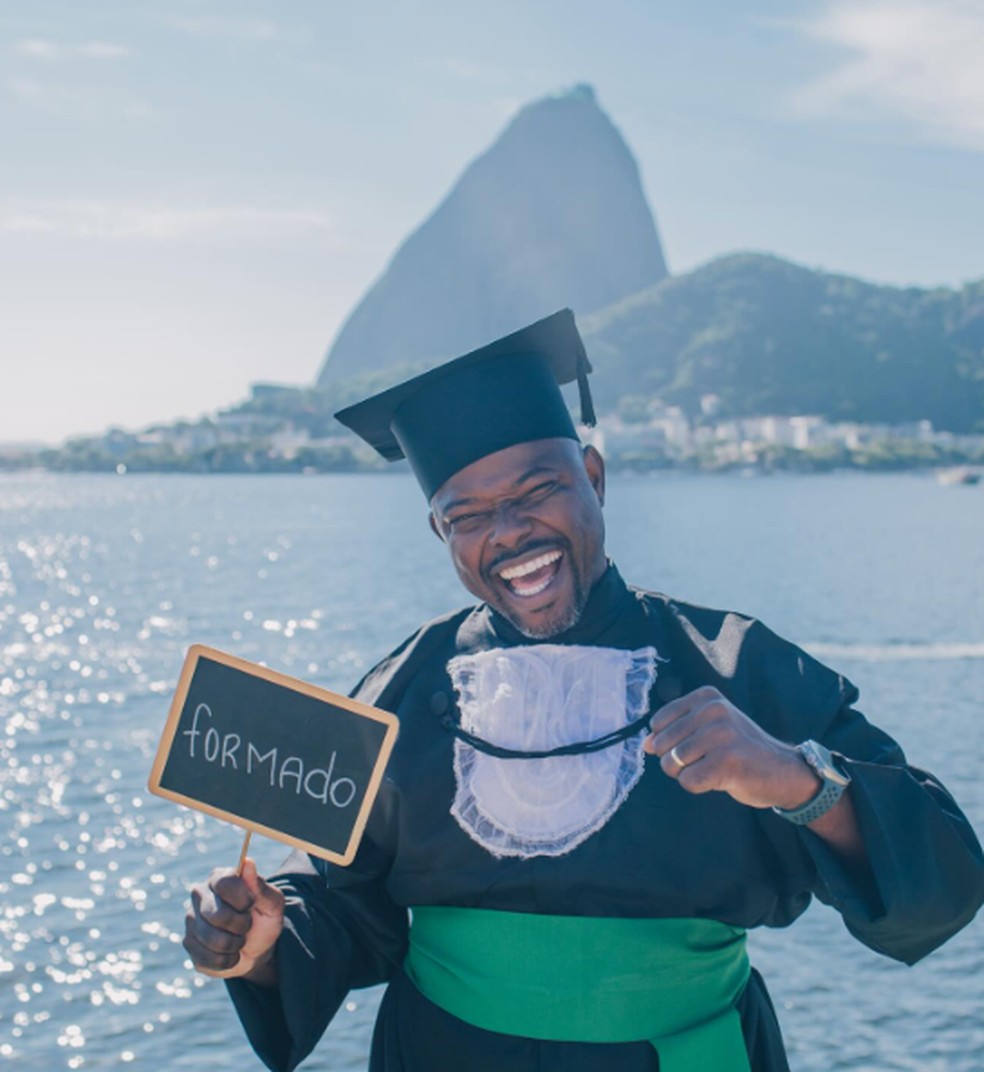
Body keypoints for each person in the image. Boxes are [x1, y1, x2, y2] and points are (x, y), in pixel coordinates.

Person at [184, 310, 984, 1072]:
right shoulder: (403, 684)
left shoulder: (738, 666)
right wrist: (261, 942)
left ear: (593, 478)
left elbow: (945, 878)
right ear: (442, 533)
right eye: (468, 515)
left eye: (536, 492)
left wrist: (797, 780)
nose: (508, 532)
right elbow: (342, 901)